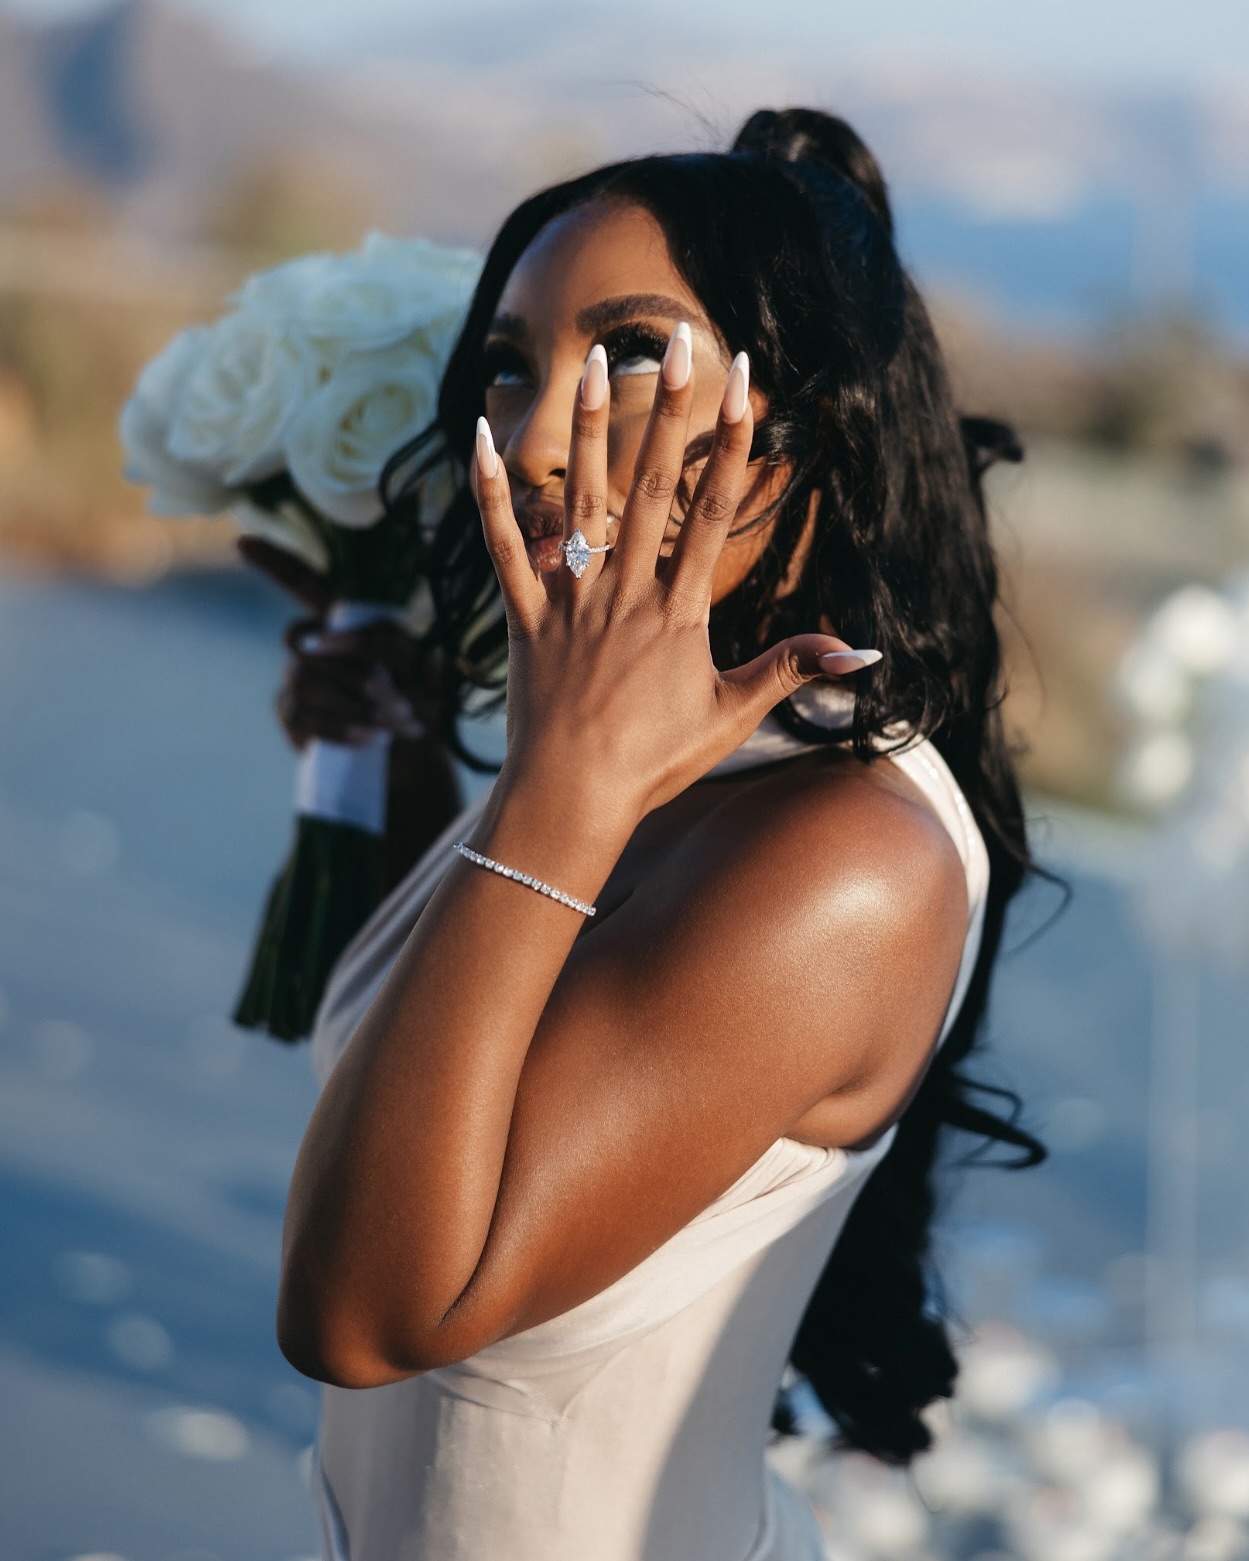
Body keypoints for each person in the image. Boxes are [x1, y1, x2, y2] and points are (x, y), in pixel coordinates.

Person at [253, 107, 1044, 1561]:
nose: (541, 438)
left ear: (807, 416)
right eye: (507, 365)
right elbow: (467, 1083)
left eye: (628, 355)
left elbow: (362, 1312)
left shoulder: (842, 856)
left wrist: (547, 789)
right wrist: (403, 766)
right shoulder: (648, 753)